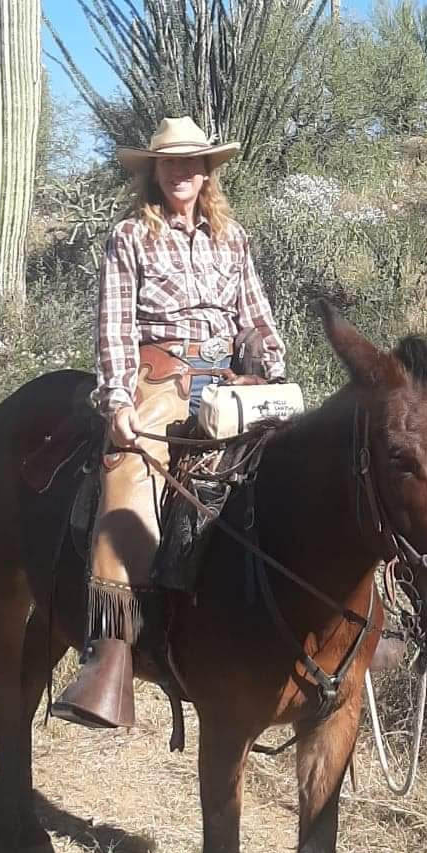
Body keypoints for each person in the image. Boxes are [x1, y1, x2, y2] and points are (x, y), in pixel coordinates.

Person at [52, 116, 285, 731]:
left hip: (229, 379)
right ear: (154, 171)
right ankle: (111, 652)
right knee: (129, 472)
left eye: (193, 162)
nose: (182, 172)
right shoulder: (130, 236)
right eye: (170, 163)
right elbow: (115, 328)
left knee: (313, 454)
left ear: (208, 171)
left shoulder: (231, 238)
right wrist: (119, 401)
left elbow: (255, 317)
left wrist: (266, 361)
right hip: (158, 380)